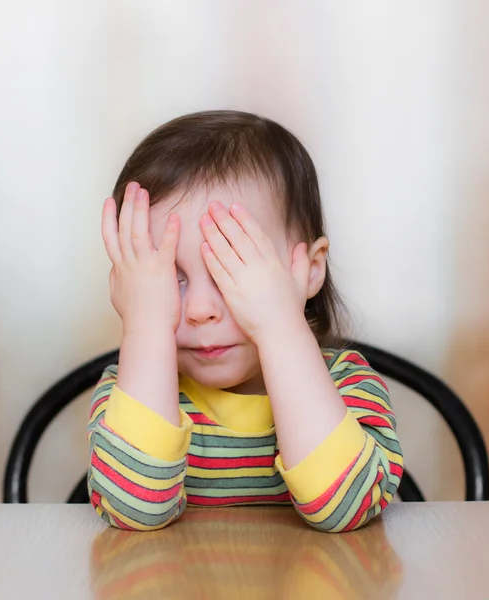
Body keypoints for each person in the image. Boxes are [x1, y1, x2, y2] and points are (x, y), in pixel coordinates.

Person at [87, 110, 403, 532]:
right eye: (167, 280)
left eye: (230, 272)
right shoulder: (131, 392)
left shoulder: (346, 385)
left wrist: (280, 327)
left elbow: (346, 509)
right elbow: (133, 511)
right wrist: (145, 328)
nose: (200, 309)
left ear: (309, 269)